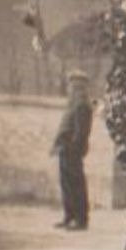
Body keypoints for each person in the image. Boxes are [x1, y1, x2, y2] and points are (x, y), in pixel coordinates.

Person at [52, 70, 93, 231]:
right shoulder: (72, 104)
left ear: (79, 87)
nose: (70, 89)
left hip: (72, 150)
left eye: (73, 86)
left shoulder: (82, 105)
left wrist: (73, 148)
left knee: (76, 184)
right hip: (65, 149)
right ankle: (69, 216)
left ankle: (81, 219)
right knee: (66, 184)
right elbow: (65, 127)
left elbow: (80, 132)